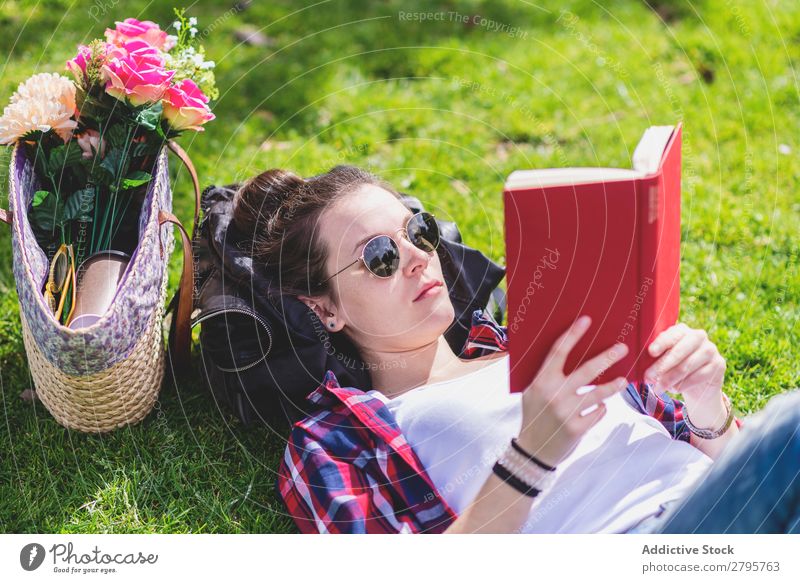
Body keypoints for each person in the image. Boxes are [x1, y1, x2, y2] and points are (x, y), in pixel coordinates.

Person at [231, 164, 800, 534]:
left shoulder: (541, 342)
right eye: (380, 256)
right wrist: (533, 451)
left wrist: (707, 408)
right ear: (325, 308)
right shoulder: (337, 443)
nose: (415, 256)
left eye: (417, 230)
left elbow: (734, 465)